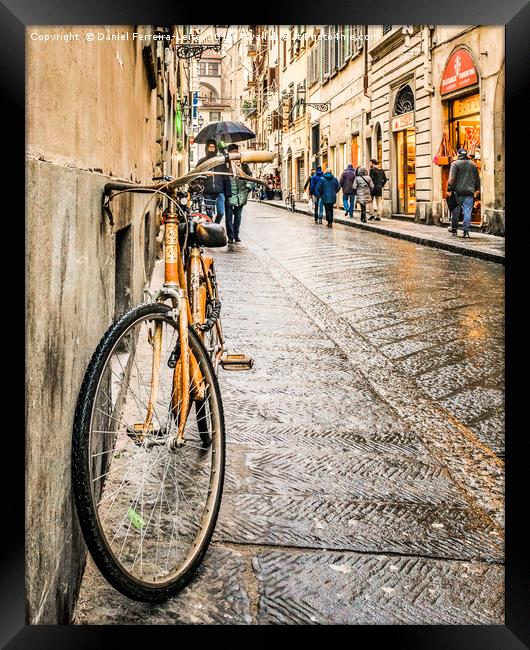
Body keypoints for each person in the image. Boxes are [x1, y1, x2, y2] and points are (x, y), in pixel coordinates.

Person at [446, 148, 480, 238]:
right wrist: (475, 188)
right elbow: (477, 179)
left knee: (455, 211)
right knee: (467, 211)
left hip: (457, 192)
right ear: (466, 154)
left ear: (458, 154)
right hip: (469, 192)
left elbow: (451, 179)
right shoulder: (473, 164)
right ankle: (466, 231)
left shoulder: (455, 164)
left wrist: (449, 189)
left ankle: (454, 228)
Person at [196, 138, 231, 223]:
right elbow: (196, 175)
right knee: (209, 214)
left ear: (216, 148)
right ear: (207, 148)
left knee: (221, 212)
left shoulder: (220, 161)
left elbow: (226, 176)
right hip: (207, 191)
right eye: (210, 147)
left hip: (220, 191)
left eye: (213, 147)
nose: (211, 149)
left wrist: (228, 192)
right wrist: (204, 174)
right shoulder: (202, 161)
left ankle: (216, 225)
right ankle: (211, 229)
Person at [225, 144, 253, 244]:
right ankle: (230, 237)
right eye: (233, 152)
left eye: (236, 151)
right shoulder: (225, 165)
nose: (235, 154)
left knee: (238, 216)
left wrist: (248, 188)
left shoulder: (244, 165)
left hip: (241, 194)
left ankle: (236, 235)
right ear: (229, 153)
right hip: (229, 194)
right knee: (228, 217)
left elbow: (250, 176)